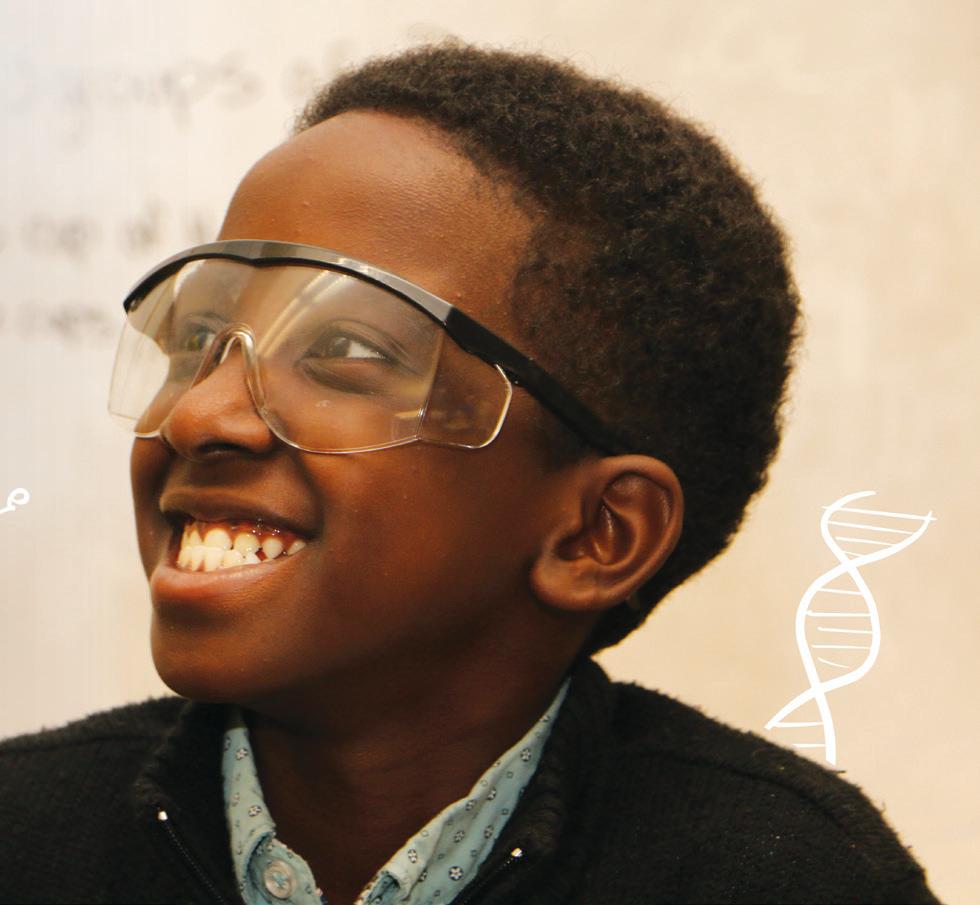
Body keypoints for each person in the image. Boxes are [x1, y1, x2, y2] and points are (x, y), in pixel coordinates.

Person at [0, 42, 939, 905]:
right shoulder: (27, 834)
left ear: (595, 533)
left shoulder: (786, 876)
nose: (200, 413)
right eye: (198, 336)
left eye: (347, 350)